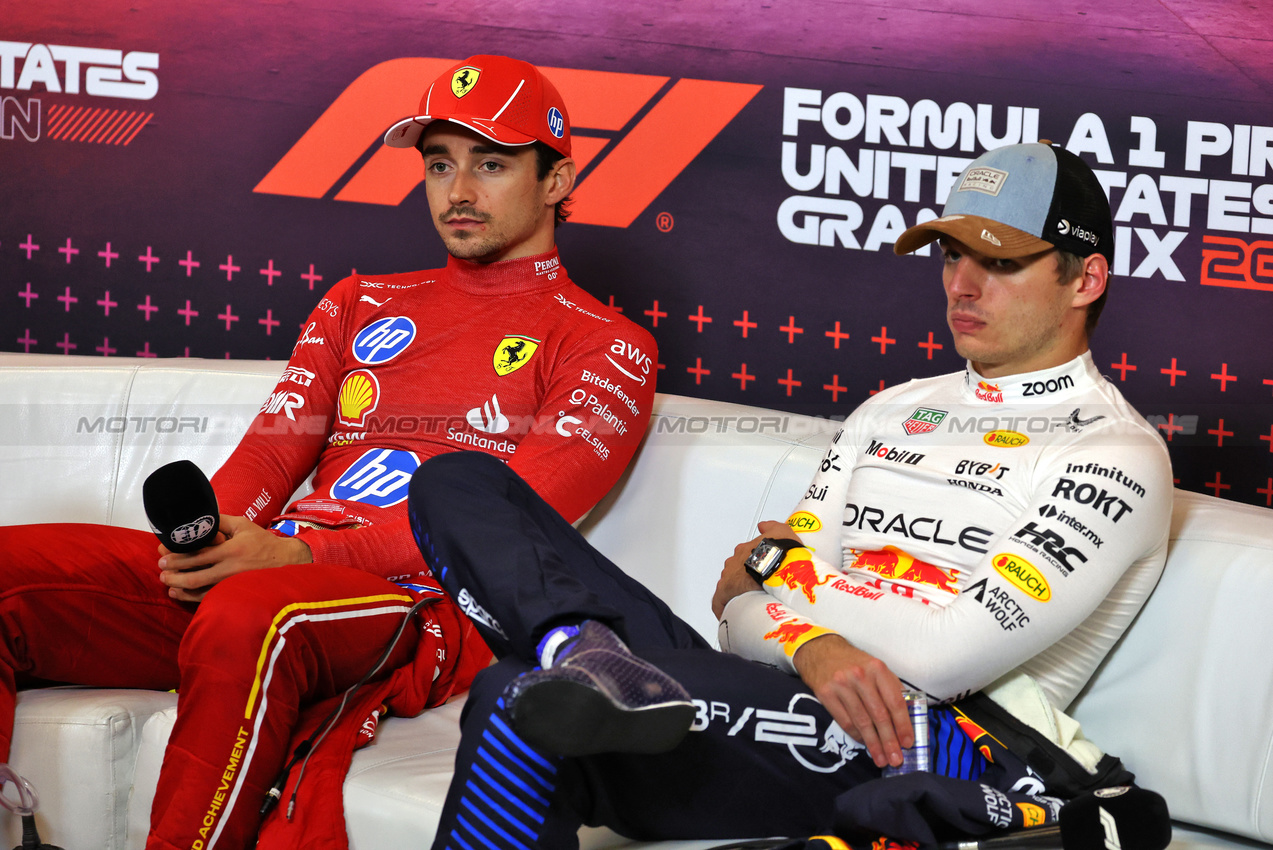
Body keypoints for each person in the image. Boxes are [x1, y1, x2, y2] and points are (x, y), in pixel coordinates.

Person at [405, 142, 1174, 848]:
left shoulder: (1115, 452)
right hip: (771, 689)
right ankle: (578, 645)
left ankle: (578, 672)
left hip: (904, 737)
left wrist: (779, 571)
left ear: (1085, 278)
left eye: (999, 263)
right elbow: (735, 614)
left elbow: (942, 655)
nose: (960, 283)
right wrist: (810, 639)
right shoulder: (891, 409)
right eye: (949, 253)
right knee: (455, 480)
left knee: (516, 697)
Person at [0, 55, 657, 850]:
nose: (458, 191)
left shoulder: (608, 345)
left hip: (415, 606)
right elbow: (269, 456)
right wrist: (218, 543)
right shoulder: (359, 300)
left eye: (491, 164)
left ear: (555, 180)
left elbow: (503, 530)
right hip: (281, 570)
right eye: (440, 164)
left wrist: (293, 558)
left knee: (254, 614)